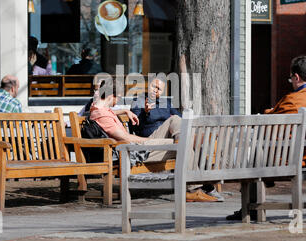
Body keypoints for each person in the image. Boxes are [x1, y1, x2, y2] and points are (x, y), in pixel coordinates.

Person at [227, 55, 306, 221]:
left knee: (255, 157)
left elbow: (271, 125)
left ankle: (251, 208)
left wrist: (269, 111)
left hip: (299, 160)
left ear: (296, 77)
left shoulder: (293, 101)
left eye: (291, 78)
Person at [89, 79, 219, 202]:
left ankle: (181, 140)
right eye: (118, 97)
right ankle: (193, 189)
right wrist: (147, 140)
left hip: (138, 145)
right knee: (184, 145)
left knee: (175, 121)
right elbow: (126, 138)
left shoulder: (100, 110)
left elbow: (105, 111)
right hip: (134, 150)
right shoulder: (103, 114)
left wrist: (124, 111)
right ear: (111, 95)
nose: (117, 101)